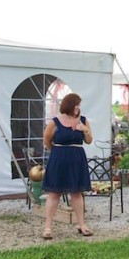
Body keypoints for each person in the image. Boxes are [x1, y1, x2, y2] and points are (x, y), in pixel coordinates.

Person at [41, 92, 94, 240]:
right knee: (54, 193)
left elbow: (89, 140)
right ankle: (48, 227)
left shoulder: (83, 120)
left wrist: (85, 130)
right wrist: (56, 152)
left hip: (77, 159)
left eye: (79, 105)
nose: (78, 107)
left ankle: (82, 225)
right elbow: (47, 139)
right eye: (76, 104)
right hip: (59, 159)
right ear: (69, 105)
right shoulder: (55, 121)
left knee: (76, 193)